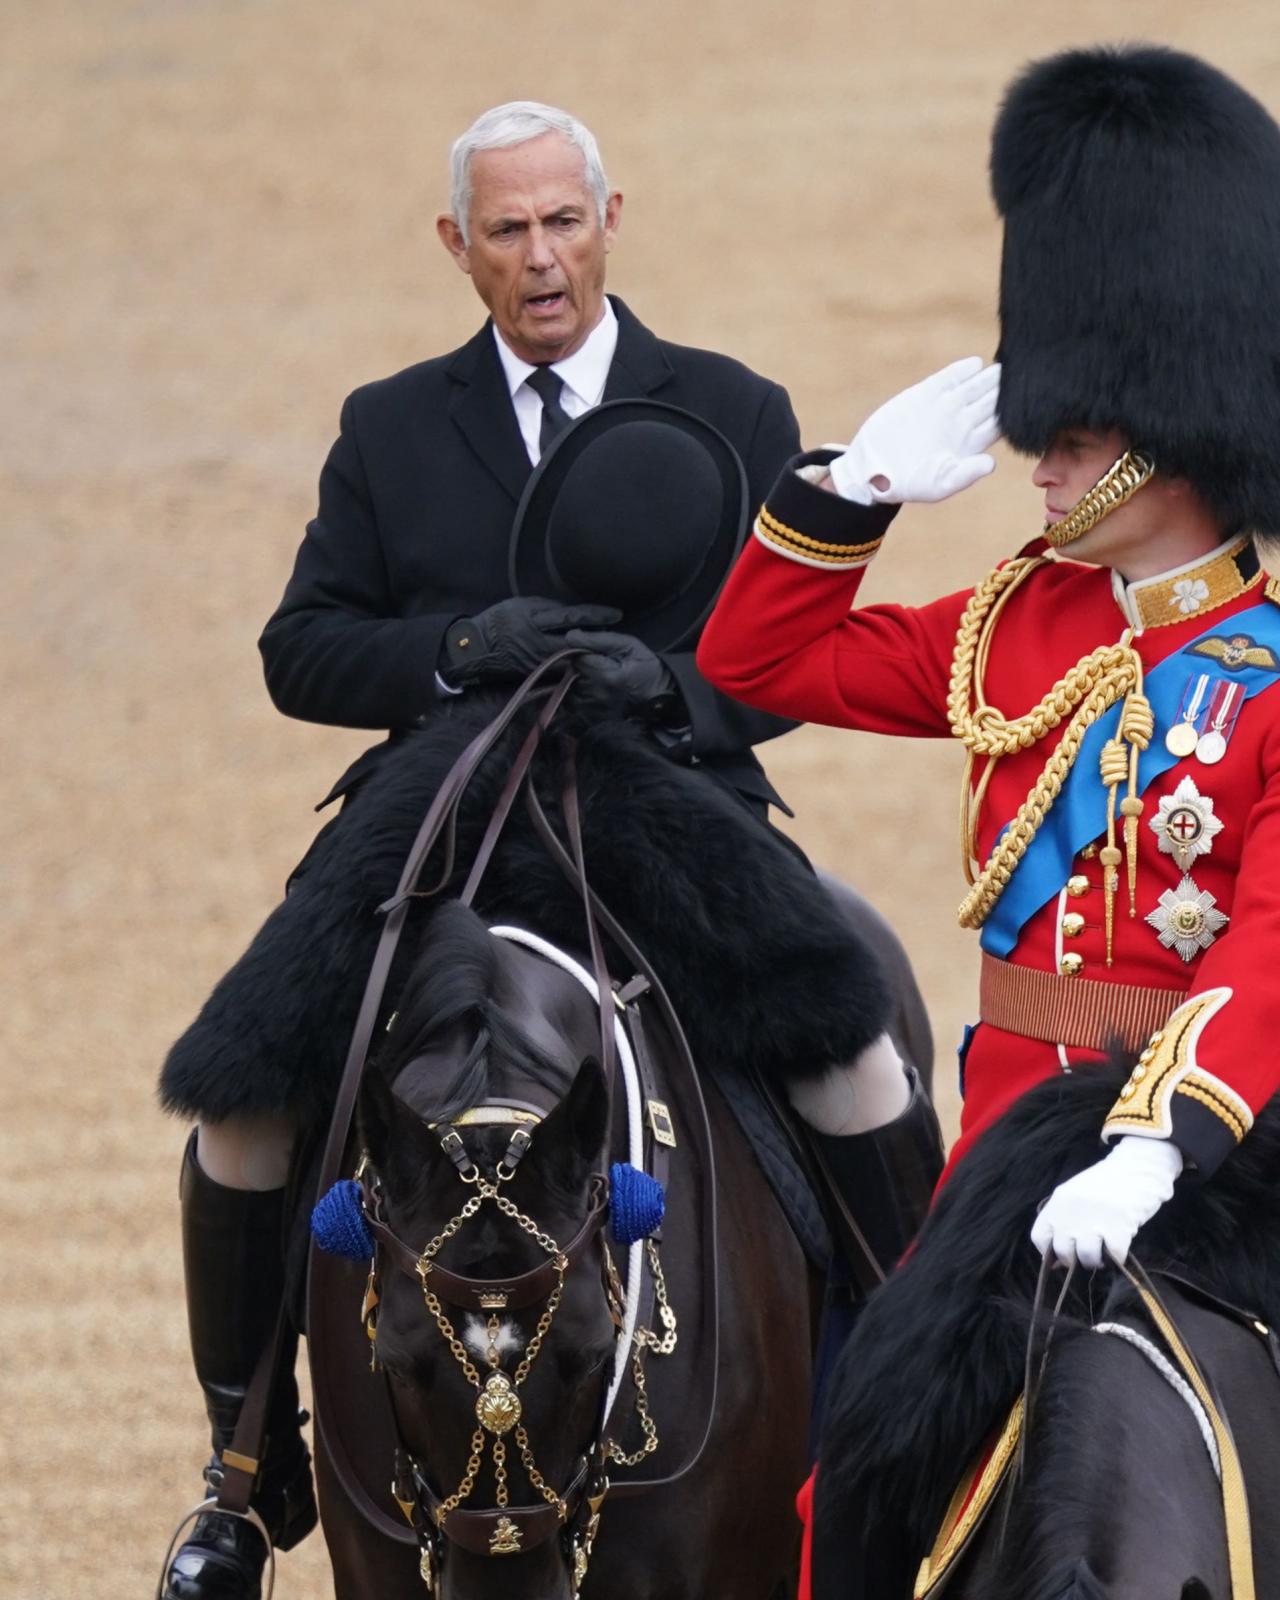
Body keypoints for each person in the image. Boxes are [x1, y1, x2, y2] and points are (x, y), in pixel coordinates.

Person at [701, 43, 1280, 1598]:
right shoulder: (1015, 625)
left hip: (1244, 1138)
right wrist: (850, 488)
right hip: (1012, 1141)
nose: (1037, 458)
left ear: (1169, 432)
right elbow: (753, 665)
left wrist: (1160, 1139)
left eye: (1068, 432)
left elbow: (1277, 956)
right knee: (857, 1463)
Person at [161, 102, 940, 1600]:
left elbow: (801, 648)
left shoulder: (730, 403)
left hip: (667, 795)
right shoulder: (389, 425)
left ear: (612, 218)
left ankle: (940, 1421)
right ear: (458, 246)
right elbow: (300, 651)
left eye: (564, 222)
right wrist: (453, 648)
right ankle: (237, 1473)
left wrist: (680, 688)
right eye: (507, 231)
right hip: (441, 817)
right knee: (237, 1106)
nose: (541, 259)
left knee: (857, 1062)